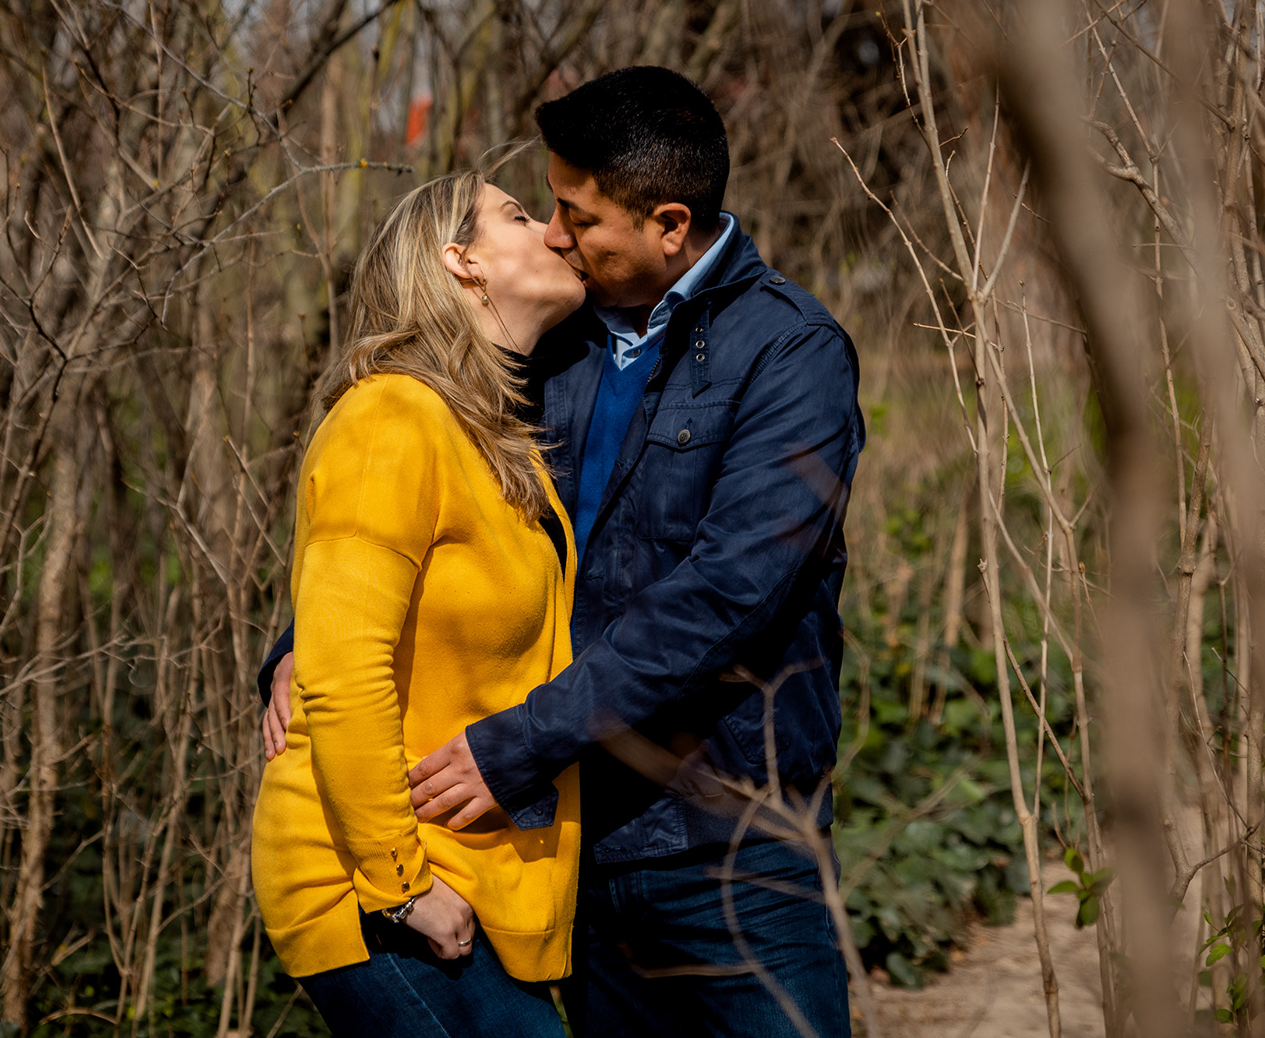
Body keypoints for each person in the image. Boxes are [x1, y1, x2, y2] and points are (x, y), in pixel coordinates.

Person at [263, 67, 864, 1037]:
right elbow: (410, 520)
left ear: (670, 223)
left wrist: (517, 747)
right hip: (576, 841)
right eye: (540, 210)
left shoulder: (789, 354)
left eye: (575, 214)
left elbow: (727, 595)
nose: (552, 233)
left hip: (731, 844)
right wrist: (300, 642)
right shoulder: (552, 346)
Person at [250, 171, 587, 1037]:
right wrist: (402, 889)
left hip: (464, 880)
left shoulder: (483, 431)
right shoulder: (390, 417)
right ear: (460, 262)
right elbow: (344, 668)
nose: (552, 230)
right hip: (375, 892)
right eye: (518, 215)